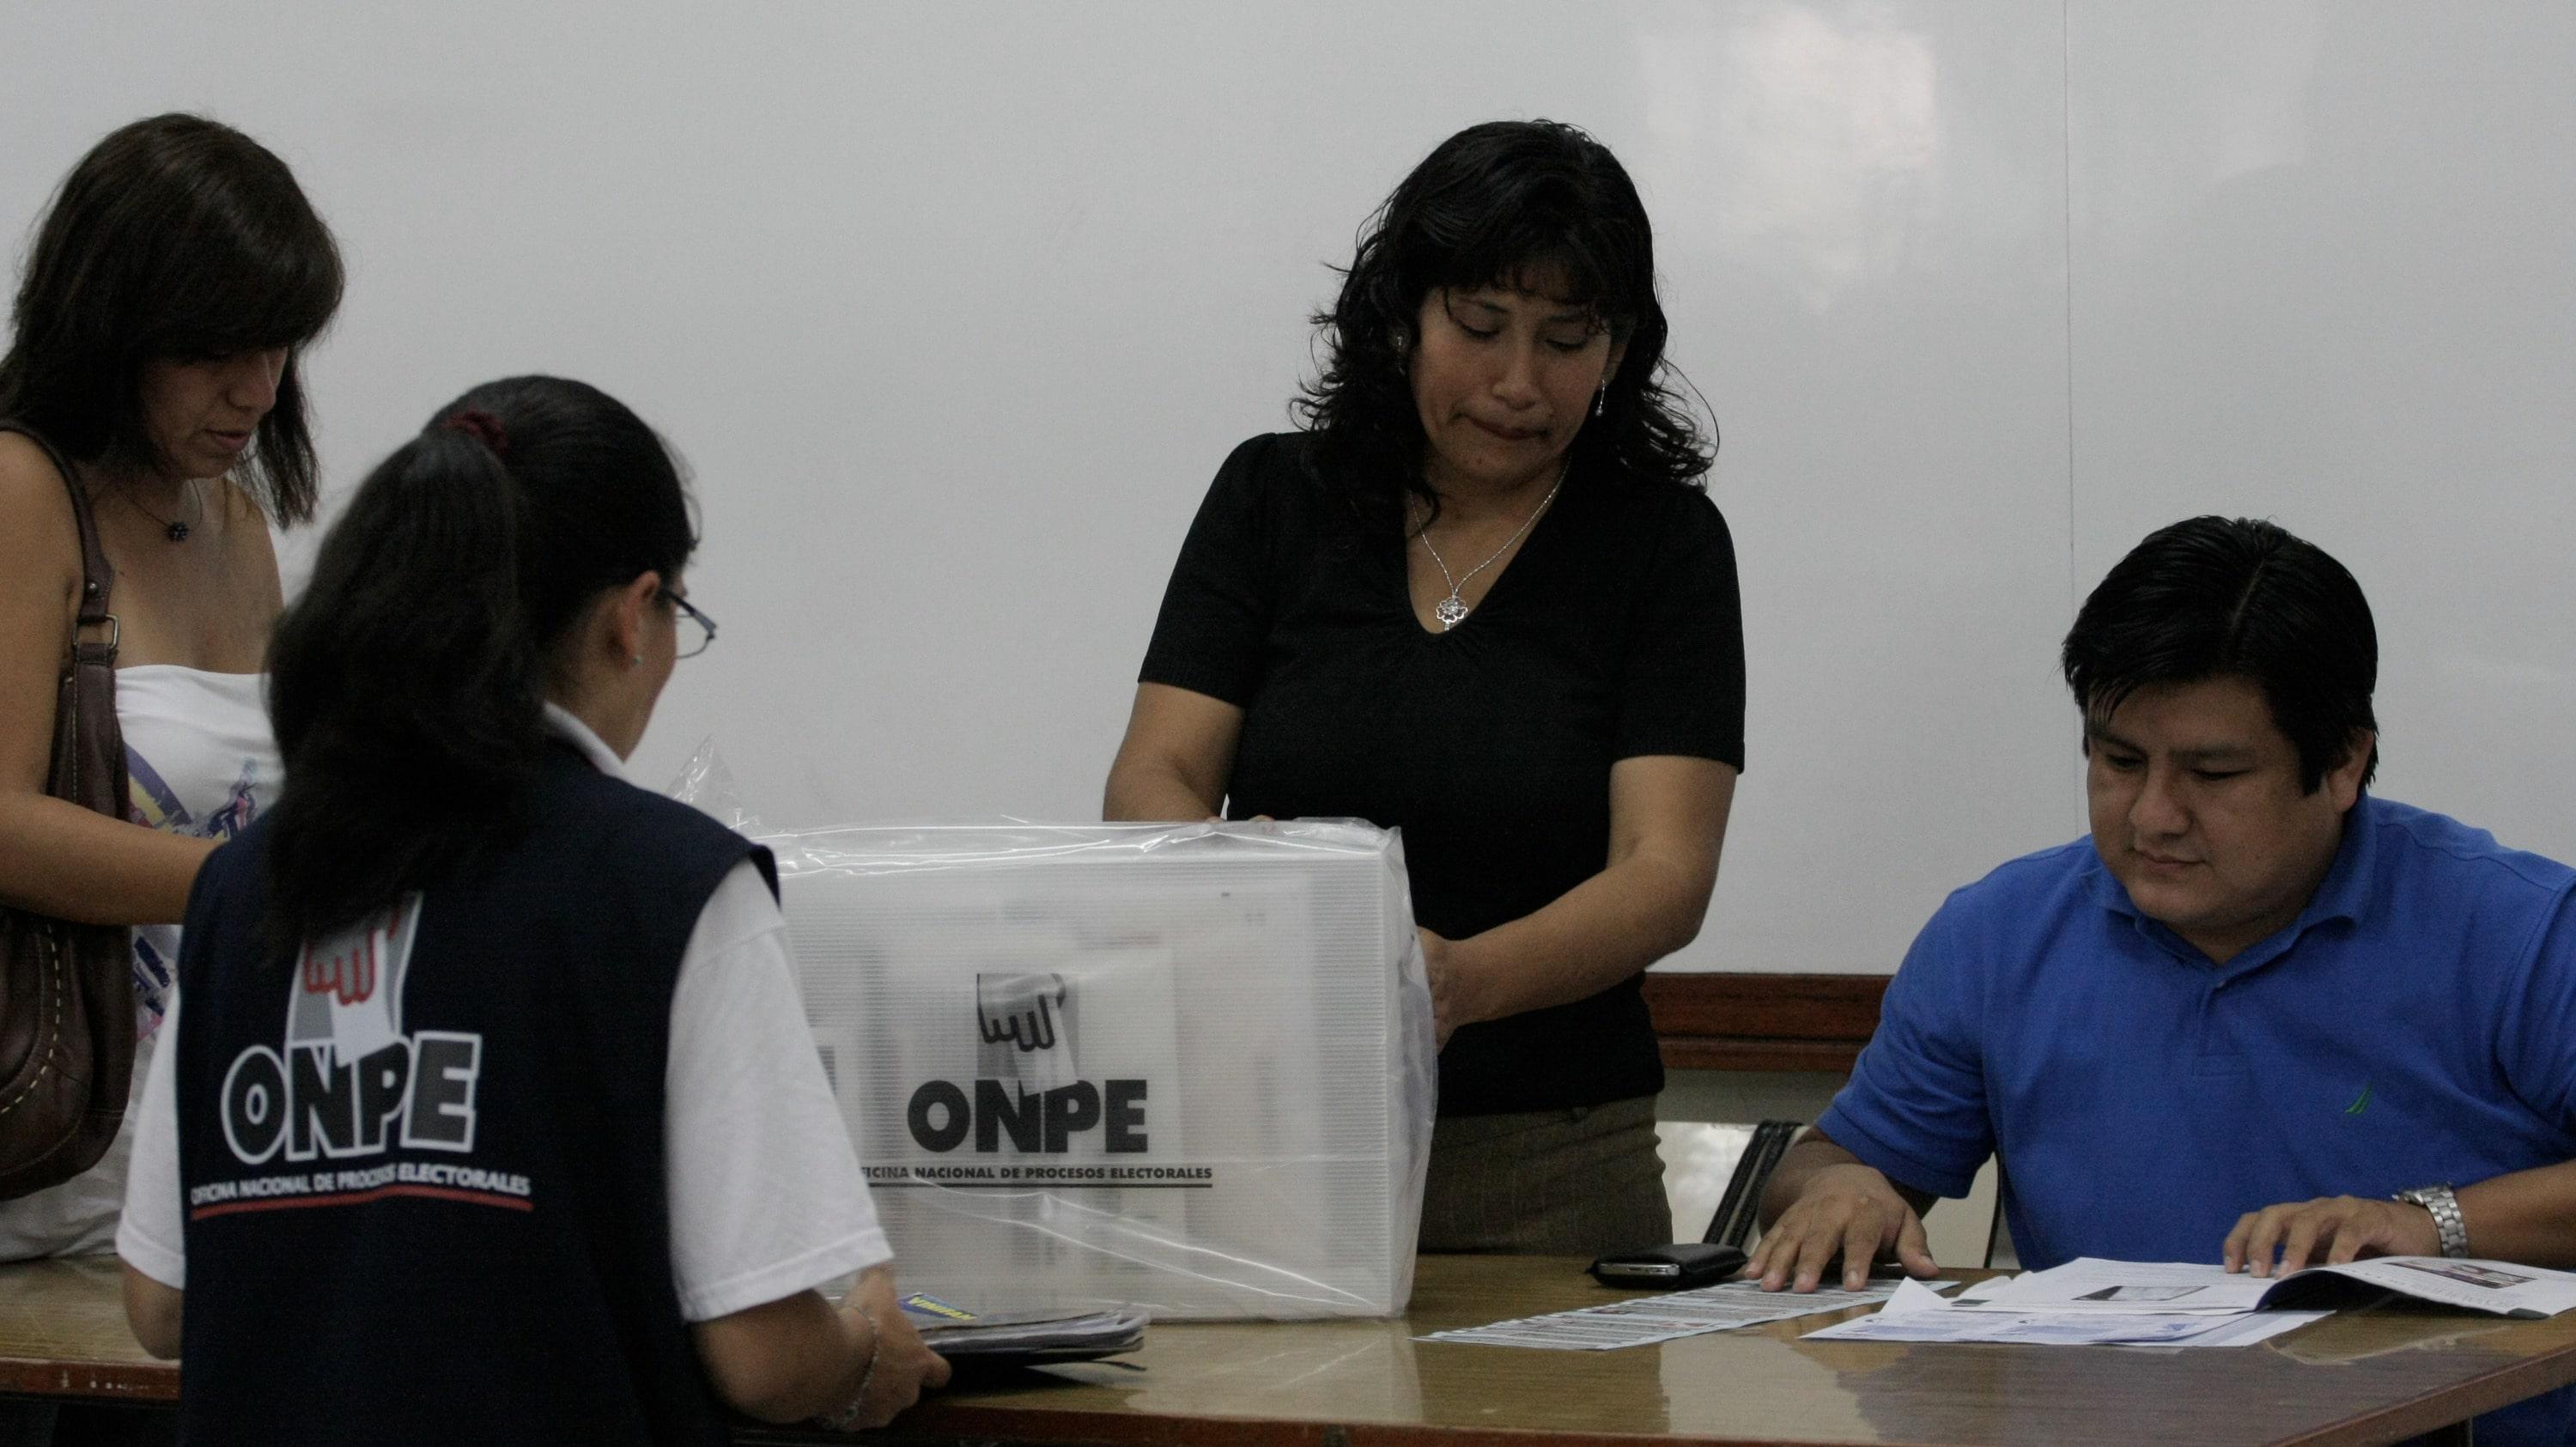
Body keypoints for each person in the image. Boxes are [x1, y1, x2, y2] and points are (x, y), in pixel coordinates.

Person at [112, 377, 950, 1441]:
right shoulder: (672, 889)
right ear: (627, 619)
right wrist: (866, 1340)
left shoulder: (246, 885)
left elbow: (160, 1302)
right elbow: (761, 1352)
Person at [1752, 516, 2576, 1446]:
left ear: (2343, 761)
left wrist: (2433, 1224)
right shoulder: (1999, 933)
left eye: (2213, 771)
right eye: (2118, 760)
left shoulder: (2518, 928)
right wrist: (1840, 1190)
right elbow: (1827, 1163)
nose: (2152, 815)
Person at [1104, 120, 1744, 1255]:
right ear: (1403, 313)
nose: (1516, 382)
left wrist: (1453, 984)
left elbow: (1665, 873)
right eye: (1481, 326)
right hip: (1270, 1135)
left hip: (1552, 1159)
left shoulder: (1661, 544)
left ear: (1618, 348)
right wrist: (1266, 906)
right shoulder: (1273, 498)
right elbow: (1155, 777)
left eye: (1565, 339)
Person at [0, 113, 342, 1261]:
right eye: (210, 352)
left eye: (279, 347)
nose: (254, 391)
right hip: (44, 1172)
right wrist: (253, 881)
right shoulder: (20, 492)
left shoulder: (234, 522)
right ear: (112, 330)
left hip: (204, 1162)